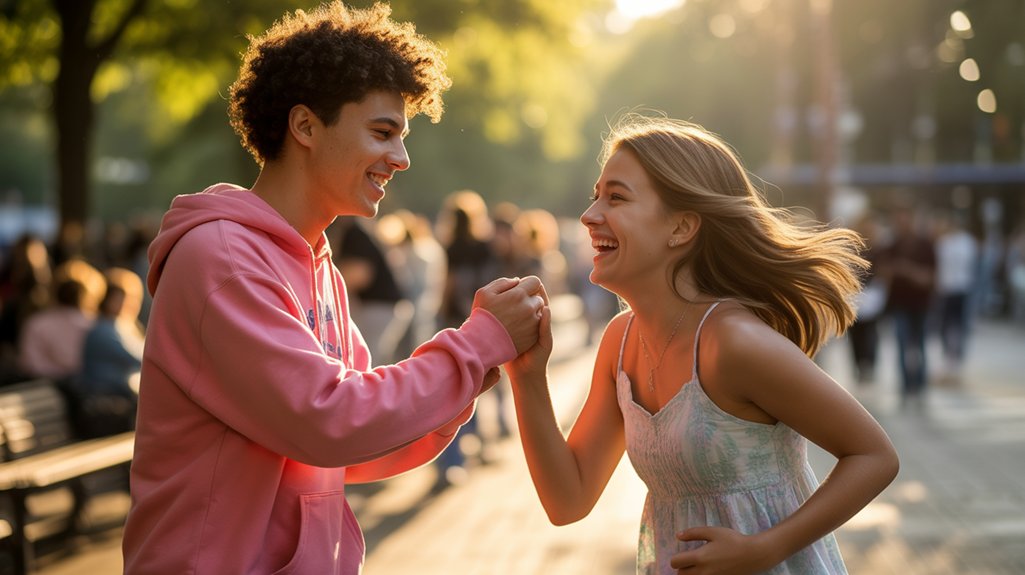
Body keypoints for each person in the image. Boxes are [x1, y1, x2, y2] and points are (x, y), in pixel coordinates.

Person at [121, 4, 544, 574]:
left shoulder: (319, 265)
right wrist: (474, 347)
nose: (402, 157)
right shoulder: (220, 259)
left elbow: (356, 445)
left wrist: (469, 374)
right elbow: (330, 420)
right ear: (305, 127)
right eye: (382, 132)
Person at [506, 114, 899, 575]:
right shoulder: (620, 341)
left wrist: (767, 548)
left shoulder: (733, 342)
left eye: (616, 197)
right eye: (596, 196)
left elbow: (874, 456)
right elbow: (567, 500)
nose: (590, 216)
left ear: (681, 228)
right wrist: (528, 376)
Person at [878, 204, 936, 410]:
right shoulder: (891, 245)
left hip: (920, 304)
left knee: (919, 346)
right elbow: (882, 273)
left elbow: (929, 278)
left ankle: (920, 386)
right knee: (902, 346)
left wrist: (908, 271)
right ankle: (905, 387)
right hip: (899, 305)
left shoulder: (925, 245)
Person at [76, 267, 145, 437]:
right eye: (121, 299)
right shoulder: (105, 329)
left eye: (133, 299)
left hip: (118, 405)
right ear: (106, 300)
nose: (129, 305)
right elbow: (142, 358)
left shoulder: (125, 327)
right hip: (105, 407)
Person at [17, 258, 105, 381]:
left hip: (45, 387)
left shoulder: (37, 323)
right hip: (81, 388)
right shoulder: (96, 326)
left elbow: (30, 364)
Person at [933, 210, 978, 383]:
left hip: (962, 288)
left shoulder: (967, 242)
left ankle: (957, 360)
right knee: (945, 326)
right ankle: (947, 360)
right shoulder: (943, 242)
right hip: (945, 289)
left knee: (961, 326)